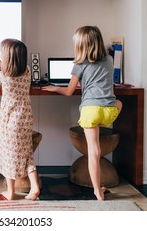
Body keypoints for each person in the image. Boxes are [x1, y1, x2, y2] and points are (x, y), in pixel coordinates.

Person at [42, 26, 122, 201]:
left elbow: (69, 91)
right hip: (108, 110)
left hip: (90, 111)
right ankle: (105, 121)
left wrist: (56, 88)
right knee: (119, 102)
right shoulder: (109, 59)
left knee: (94, 152)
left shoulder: (79, 64)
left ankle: (96, 191)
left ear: (80, 45)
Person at [0, 38, 40, 201]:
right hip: (25, 119)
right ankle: (35, 187)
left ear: (7, 58)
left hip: (10, 123)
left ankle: (10, 192)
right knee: (27, 154)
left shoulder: (3, 76)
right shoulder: (27, 71)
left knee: (8, 155)